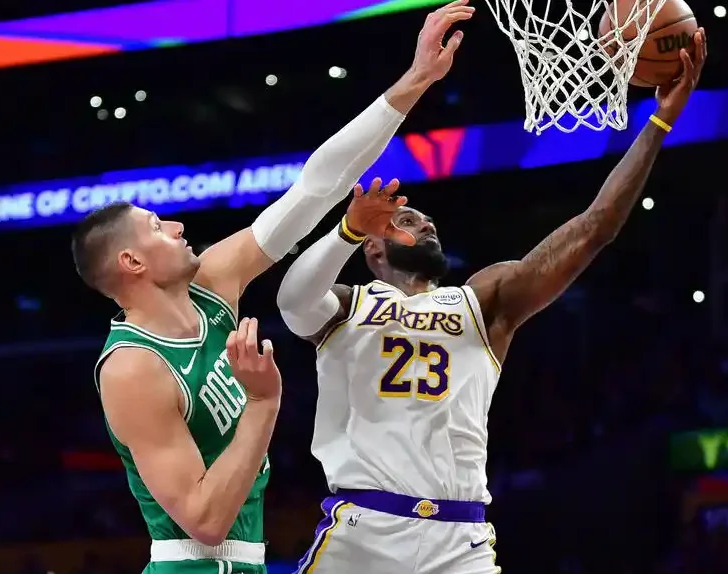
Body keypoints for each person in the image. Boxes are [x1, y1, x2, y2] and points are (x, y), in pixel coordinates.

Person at [276, 29, 708, 574]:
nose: (425, 223)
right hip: (365, 531)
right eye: (407, 219)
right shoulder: (347, 306)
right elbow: (293, 300)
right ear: (374, 248)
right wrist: (346, 231)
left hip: (460, 539)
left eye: (427, 219)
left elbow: (594, 227)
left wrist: (659, 122)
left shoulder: (482, 302)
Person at [70, 3, 473, 573]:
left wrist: (414, 82)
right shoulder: (132, 368)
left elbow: (314, 188)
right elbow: (205, 519)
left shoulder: (212, 284)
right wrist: (264, 402)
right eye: (158, 227)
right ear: (132, 262)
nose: (178, 226)